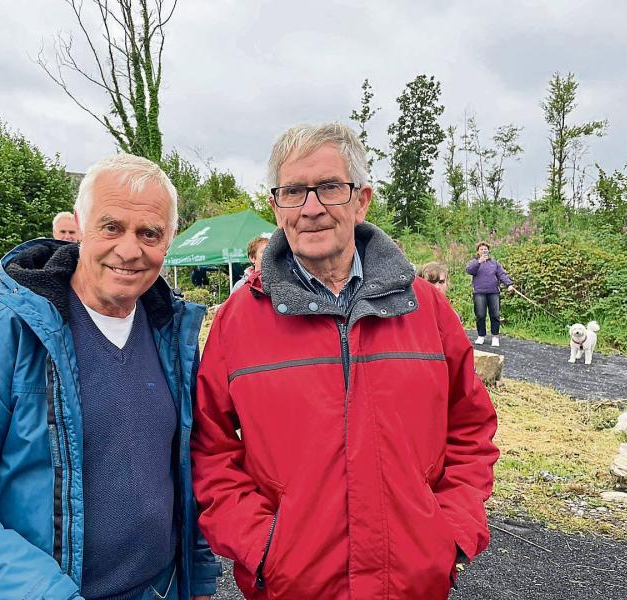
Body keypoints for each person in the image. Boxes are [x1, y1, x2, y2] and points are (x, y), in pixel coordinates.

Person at [191, 123, 499, 599]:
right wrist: (263, 545)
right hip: (294, 585)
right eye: (293, 191)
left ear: (361, 200)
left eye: (329, 187)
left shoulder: (427, 310)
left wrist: (451, 532)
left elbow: (471, 428)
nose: (311, 208)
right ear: (275, 207)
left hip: (413, 584)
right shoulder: (238, 321)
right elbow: (209, 448)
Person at [0, 155, 221, 600]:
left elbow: (187, 473)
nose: (129, 249)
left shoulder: (172, 333)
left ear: (169, 240)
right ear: (79, 227)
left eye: (149, 233)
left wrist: (198, 580)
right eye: (111, 227)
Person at [465, 241, 515, 347]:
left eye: (485, 249)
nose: (484, 250)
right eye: (481, 249)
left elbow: (501, 274)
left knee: (495, 315)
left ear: (489, 250)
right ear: (478, 252)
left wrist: (509, 284)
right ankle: (481, 336)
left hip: (493, 292)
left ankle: (495, 337)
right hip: (479, 292)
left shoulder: (494, 263)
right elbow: (469, 270)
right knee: (480, 315)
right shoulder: (474, 262)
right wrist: (479, 262)